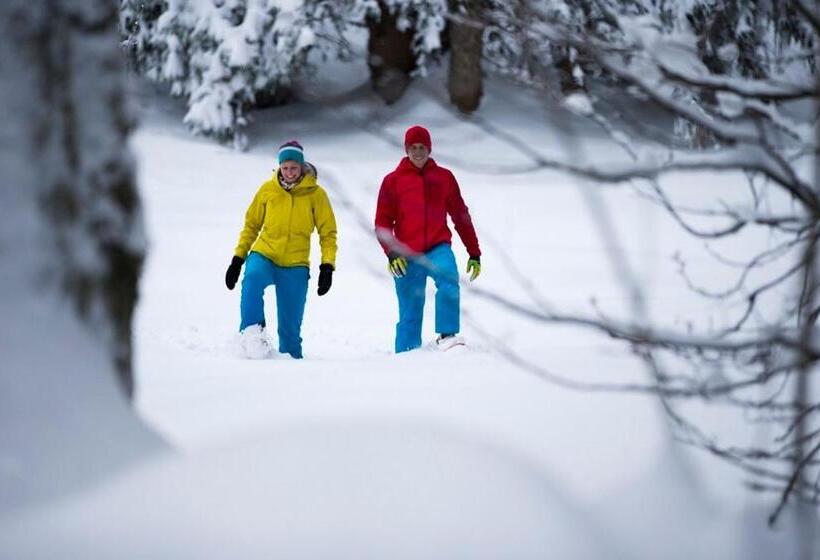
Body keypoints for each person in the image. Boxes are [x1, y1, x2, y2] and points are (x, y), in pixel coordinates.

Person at [225, 140, 337, 359]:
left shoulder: (316, 194)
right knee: (253, 279)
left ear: (302, 166)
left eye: (293, 167)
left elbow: (328, 233)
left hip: (296, 264)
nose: (289, 172)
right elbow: (251, 225)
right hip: (265, 253)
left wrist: (327, 266)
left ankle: (290, 369)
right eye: (284, 168)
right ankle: (252, 335)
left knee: (290, 332)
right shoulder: (268, 190)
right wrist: (237, 259)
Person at [374, 125, 482, 353]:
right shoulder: (392, 181)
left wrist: (474, 252)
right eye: (413, 147)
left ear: (429, 148)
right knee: (410, 310)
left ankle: (448, 335)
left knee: (449, 280)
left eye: (422, 147)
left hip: (437, 247)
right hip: (405, 253)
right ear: (406, 150)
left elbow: (460, 216)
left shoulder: (444, 178)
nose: (418, 152)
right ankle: (405, 354)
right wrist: (391, 253)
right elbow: (382, 223)